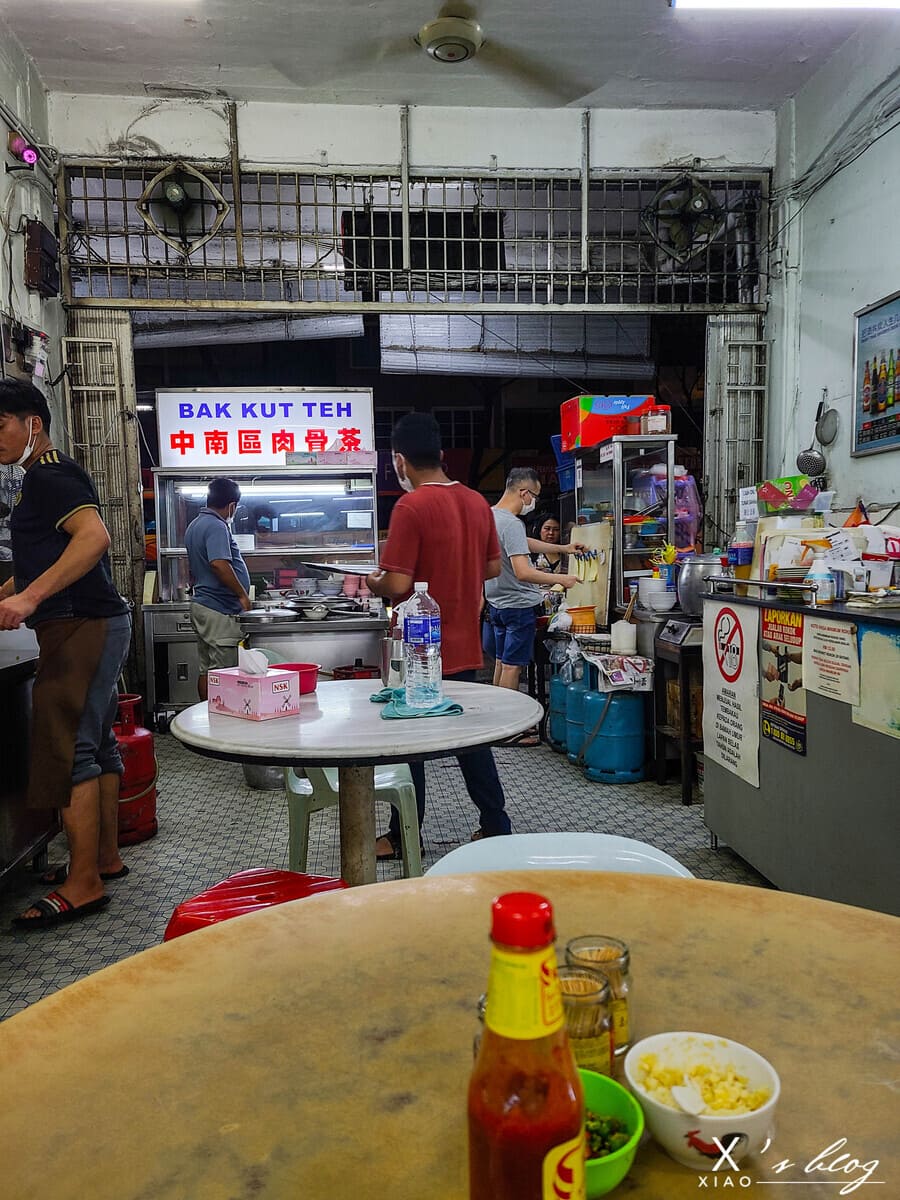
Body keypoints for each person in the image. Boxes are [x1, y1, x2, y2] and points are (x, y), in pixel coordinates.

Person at [0, 378, 132, 929]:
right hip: (91, 623)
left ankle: (84, 882)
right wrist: (12, 592)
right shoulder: (40, 480)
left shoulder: (51, 474)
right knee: (95, 742)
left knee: (70, 746)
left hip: (82, 625)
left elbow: (93, 537)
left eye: (0, 426)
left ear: (33, 422)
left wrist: (29, 597)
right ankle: (102, 858)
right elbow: (42, 560)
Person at [366, 412, 510, 854]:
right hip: (466, 644)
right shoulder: (476, 503)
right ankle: (496, 826)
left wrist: (373, 581)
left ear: (400, 461)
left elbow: (395, 585)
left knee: (411, 743)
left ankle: (403, 835)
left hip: (421, 647)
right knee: (471, 742)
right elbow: (491, 568)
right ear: (442, 456)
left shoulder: (410, 507)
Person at [483, 470, 578, 745]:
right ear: (524, 493)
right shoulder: (511, 522)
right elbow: (523, 572)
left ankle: (496, 725)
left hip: (497, 604)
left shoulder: (490, 516)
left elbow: (522, 544)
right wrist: (562, 579)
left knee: (502, 663)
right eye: (534, 496)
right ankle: (510, 732)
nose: (533, 502)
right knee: (513, 668)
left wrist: (563, 548)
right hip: (518, 605)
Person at [184, 477, 252, 701]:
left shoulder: (195, 524)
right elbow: (219, 564)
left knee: (207, 669)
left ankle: (206, 719)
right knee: (225, 672)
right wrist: (242, 594)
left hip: (204, 605)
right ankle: (223, 722)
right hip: (219, 609)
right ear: (232, 505)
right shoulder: (216, 525)